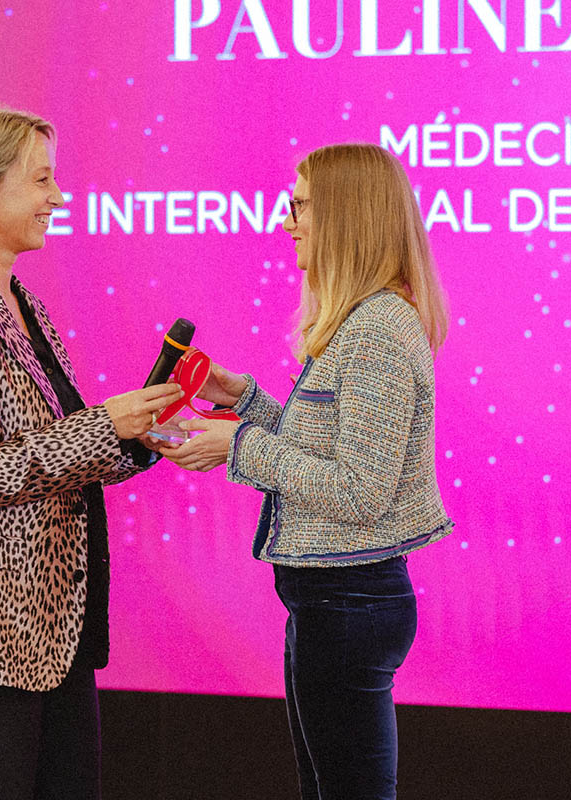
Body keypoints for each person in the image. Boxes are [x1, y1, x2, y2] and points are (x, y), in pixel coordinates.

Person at [0, 106, 182, 800]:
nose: (58, 197)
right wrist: (105, 424)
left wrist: (135, 436)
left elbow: (56, 447)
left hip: (51, 633)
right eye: (41, 180)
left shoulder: (24, 304)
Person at [158, 143, 453, 800]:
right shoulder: (362, 321)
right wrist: (248, 401)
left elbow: (358, 490)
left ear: (345, 217)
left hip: (348, 605)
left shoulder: (378, 328)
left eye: (300, 207)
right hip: (333, 604)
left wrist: (235, 444)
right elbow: (325, 450)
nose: (287, 222)